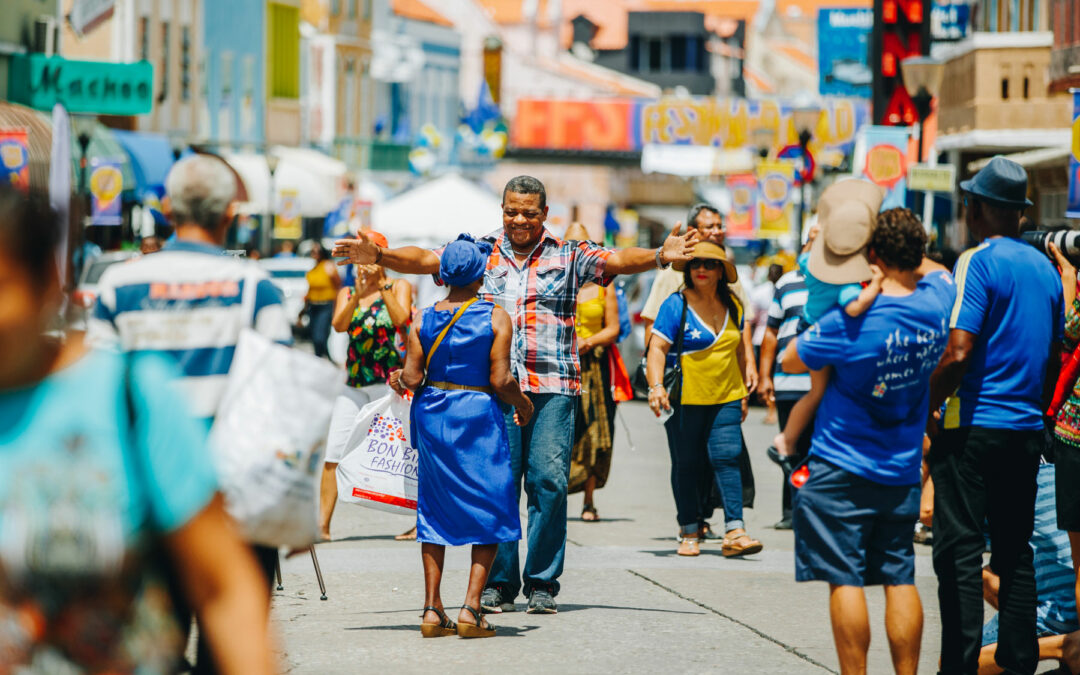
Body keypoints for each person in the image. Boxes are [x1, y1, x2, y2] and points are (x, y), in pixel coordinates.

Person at [332, 174, 697, 615]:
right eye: (511, 211)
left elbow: (618, 259)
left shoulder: (569, 254)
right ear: (502, 210)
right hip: (496, 392)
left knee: (548, 483)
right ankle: (498, 584)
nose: (519, 219)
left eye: (528, 212)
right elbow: (427, 259)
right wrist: (382, 256)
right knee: (499, 486)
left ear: (545, 214)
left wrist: (659, 255)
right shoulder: (480, 250)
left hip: (553, 387)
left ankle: (542, 582)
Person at [0, 186, 275, 674]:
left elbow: (223, 587)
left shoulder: (128, 391)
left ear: (46, 282)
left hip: (184, 481)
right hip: (232, 466)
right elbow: (280, 376)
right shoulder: (256, 284)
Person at [88, 154, 292, 674]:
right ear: (231, 213)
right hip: (234, 498)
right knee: (230, 650)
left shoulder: (119, 287)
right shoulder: (256, 288)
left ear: (166, 209)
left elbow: (97, 392)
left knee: (154, 649)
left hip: (147, 496)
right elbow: (277, 390)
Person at [782, 207, 955, 675]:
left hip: (841, 467)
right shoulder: (939, 303)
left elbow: (793, 358)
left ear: (872, 255)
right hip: (901, 470)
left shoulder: (853, 320)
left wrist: (856, 293)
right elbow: (938, 272)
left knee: (845, 579)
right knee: (899, 576)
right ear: (918, 253)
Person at [928, 156, 1064, 675]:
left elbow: (959, 350)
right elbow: (1050, 358)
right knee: (1016, 552)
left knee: (960, 556)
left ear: (979, 209)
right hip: (1026, 432)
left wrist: (926, 404)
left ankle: (959, 668)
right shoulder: (1048, 272)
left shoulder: (977, 261)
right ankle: (1018, 660)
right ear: (1021, 214)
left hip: (974, 429)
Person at [389, 234, 533, 639]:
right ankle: (471, 608)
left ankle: (432, 610)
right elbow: (501, 379)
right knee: (490, 507)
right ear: (482, 273)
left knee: (433, 509)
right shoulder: (495, 317)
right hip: (478, 417)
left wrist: (399, 378)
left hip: (433, 416)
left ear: (442, 276)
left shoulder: (421, 318)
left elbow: (413, 378)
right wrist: (523, 404)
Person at [639, 203, 758, 542]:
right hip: (685, 397)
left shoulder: (733, 304)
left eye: (710, 264)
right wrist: (655, 385)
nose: (702, 268)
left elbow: (739, 343)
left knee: (728, 457)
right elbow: (656, 346)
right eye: (696, 263)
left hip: (727, 395)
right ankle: (689, 528)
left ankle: (736, 530)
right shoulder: (675, 301)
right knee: (688, 463)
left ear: (722, 270)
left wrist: (748, 377)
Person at [770, 180, 886, 467]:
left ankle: (788, 439)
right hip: (818, 335)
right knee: (819, 392)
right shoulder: (844, 283)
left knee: (819, 391)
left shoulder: (811, 264)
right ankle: (786, 439)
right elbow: (855, 307)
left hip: (805, 327)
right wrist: (876, 284)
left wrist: (815, 238)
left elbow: (803, 256)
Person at [319, 229, 413, 541]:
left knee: (405, 451)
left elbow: (402, 319)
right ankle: (323, 525)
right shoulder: (348, 293)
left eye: (366, 256)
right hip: (355, 383)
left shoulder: (399, 286)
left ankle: (418, 520)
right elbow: (338, 324)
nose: (361, 266)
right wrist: (358, 295)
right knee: (333, 449)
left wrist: (383, 284)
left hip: (390, 384)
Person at [978, 463, 1079, 674]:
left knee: (957, 662)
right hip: (1066, 593)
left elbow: (928, 513)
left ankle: (1063, 645)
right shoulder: (1065, 468)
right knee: (989, 576)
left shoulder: (1026, 472)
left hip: (1060, 608)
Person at [563, 222, 621, 522]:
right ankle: (554, 496)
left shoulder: (603, 287)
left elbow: (613, 328)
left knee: (596, 431)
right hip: (561, 365)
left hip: (594, 369)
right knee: (563, 431)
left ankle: (588, 499)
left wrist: (588, 341)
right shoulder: (555, 281)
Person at [758, 260, 813, 530]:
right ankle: (791, 510)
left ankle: (814, 510)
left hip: (825, 382)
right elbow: (770, 332)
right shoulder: (786, 283)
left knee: (819, 449)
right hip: (789, 381)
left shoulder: (844, 282)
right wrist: (765, 376)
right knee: (790, 449)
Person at [751, 263, 783, 424]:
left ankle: (772, 409)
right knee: (774, 375)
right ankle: (774, 408)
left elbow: (752, 318)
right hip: (775, 339)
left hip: (762, 338)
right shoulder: (784, 290)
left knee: (768, 375)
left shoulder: (760, 292)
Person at [305, 241, 341, 361]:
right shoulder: (313, 268)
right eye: (312, 251)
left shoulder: (328, 266)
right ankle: (321, 359)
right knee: (314, 336)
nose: (314, 254)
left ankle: (323, 359)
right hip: (313, 306)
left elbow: (337, 287)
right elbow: (310, 290)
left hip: (325, 306)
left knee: (320, 336)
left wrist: (337, 308)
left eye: (316, 251)